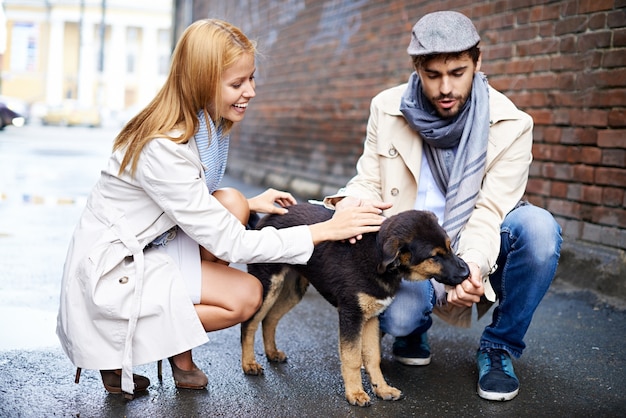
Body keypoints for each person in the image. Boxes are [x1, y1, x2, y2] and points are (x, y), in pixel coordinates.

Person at [56, 18, 385, 399]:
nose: (251, 91)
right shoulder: (163, 146)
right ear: (201, 81)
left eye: (251, 78)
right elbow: (231, 244)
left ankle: (179, 351)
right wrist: (322, 230)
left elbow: (195, 201)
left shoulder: (204, 124)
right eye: (237, 83)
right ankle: (113, 345)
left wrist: (249, 202)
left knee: (230, 200)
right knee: (246, 296)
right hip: (114, 273)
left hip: (152, 247)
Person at [324, 11, 562, 401]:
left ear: (477, 63)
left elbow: (490, 211)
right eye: (433, 75)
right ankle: (412, 330)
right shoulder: (387, 108)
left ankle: (499, 347)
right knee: (400, 318)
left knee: (539, 229)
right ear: (417, 68)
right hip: (414, 248)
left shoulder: (511, 123)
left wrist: (473, 267)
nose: (446, 87)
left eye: (458, 71)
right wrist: (349, 203)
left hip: (472, 240)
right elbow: (368, 179)